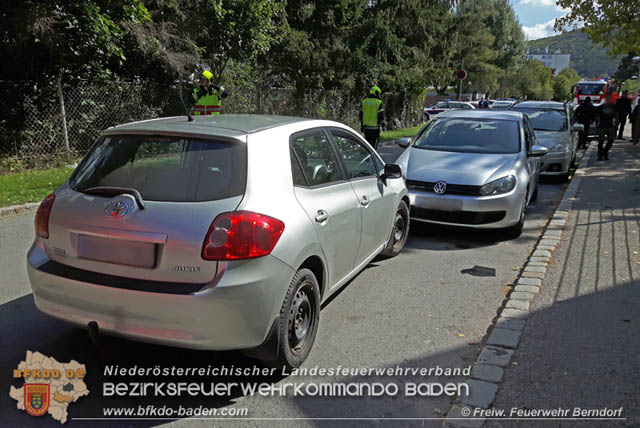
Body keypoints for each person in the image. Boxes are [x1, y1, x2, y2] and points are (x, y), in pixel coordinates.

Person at [596, 94, 618, 160]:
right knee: (601, 141)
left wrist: (616, 124)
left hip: (610, 126)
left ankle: (605, 152)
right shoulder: (601, 107)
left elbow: (617, 115)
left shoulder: (614, 106)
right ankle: (600, 155)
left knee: (610, 141)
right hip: (602, 126)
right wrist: (597, 125)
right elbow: (597, 116)